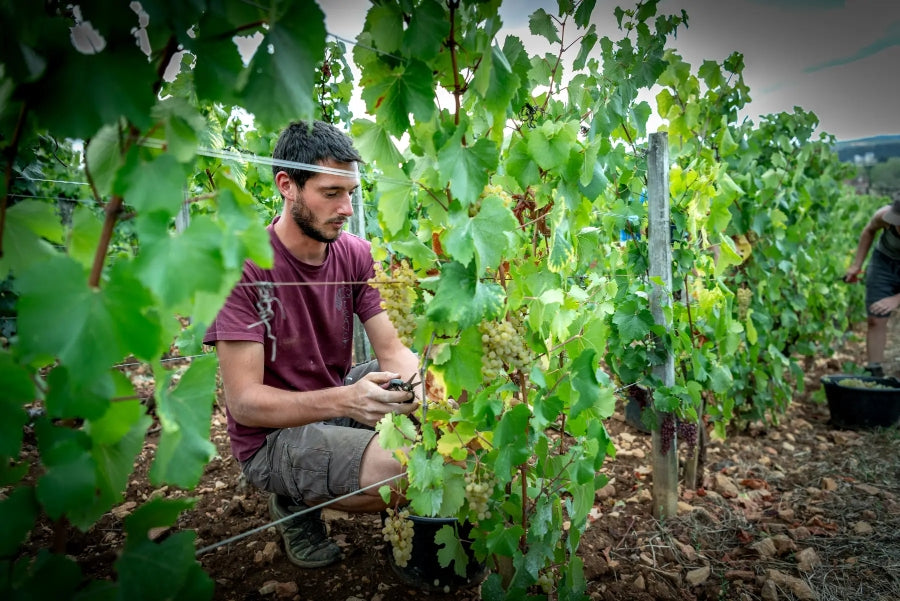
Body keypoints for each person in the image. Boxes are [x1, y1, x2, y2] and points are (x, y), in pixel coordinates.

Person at [203, 120, 420, 568]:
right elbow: (244, 404)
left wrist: (432, 401)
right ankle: (294, 502)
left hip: (333, 398)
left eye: (351, 193)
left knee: (430, 388)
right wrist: (348, 399)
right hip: (271, 437)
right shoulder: (242, 269)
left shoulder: (355, 254)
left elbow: (394, 351)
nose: (346, 208)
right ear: (287, 185)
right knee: (405, 470)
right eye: (331, 193)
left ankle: (346, 470)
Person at [844, 199, 900, 377]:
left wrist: (896, 299)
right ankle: (875, 371)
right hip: (883, 262)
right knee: (876, 317)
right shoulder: (884, 216)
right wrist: (857, 265)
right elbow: (869, 231)